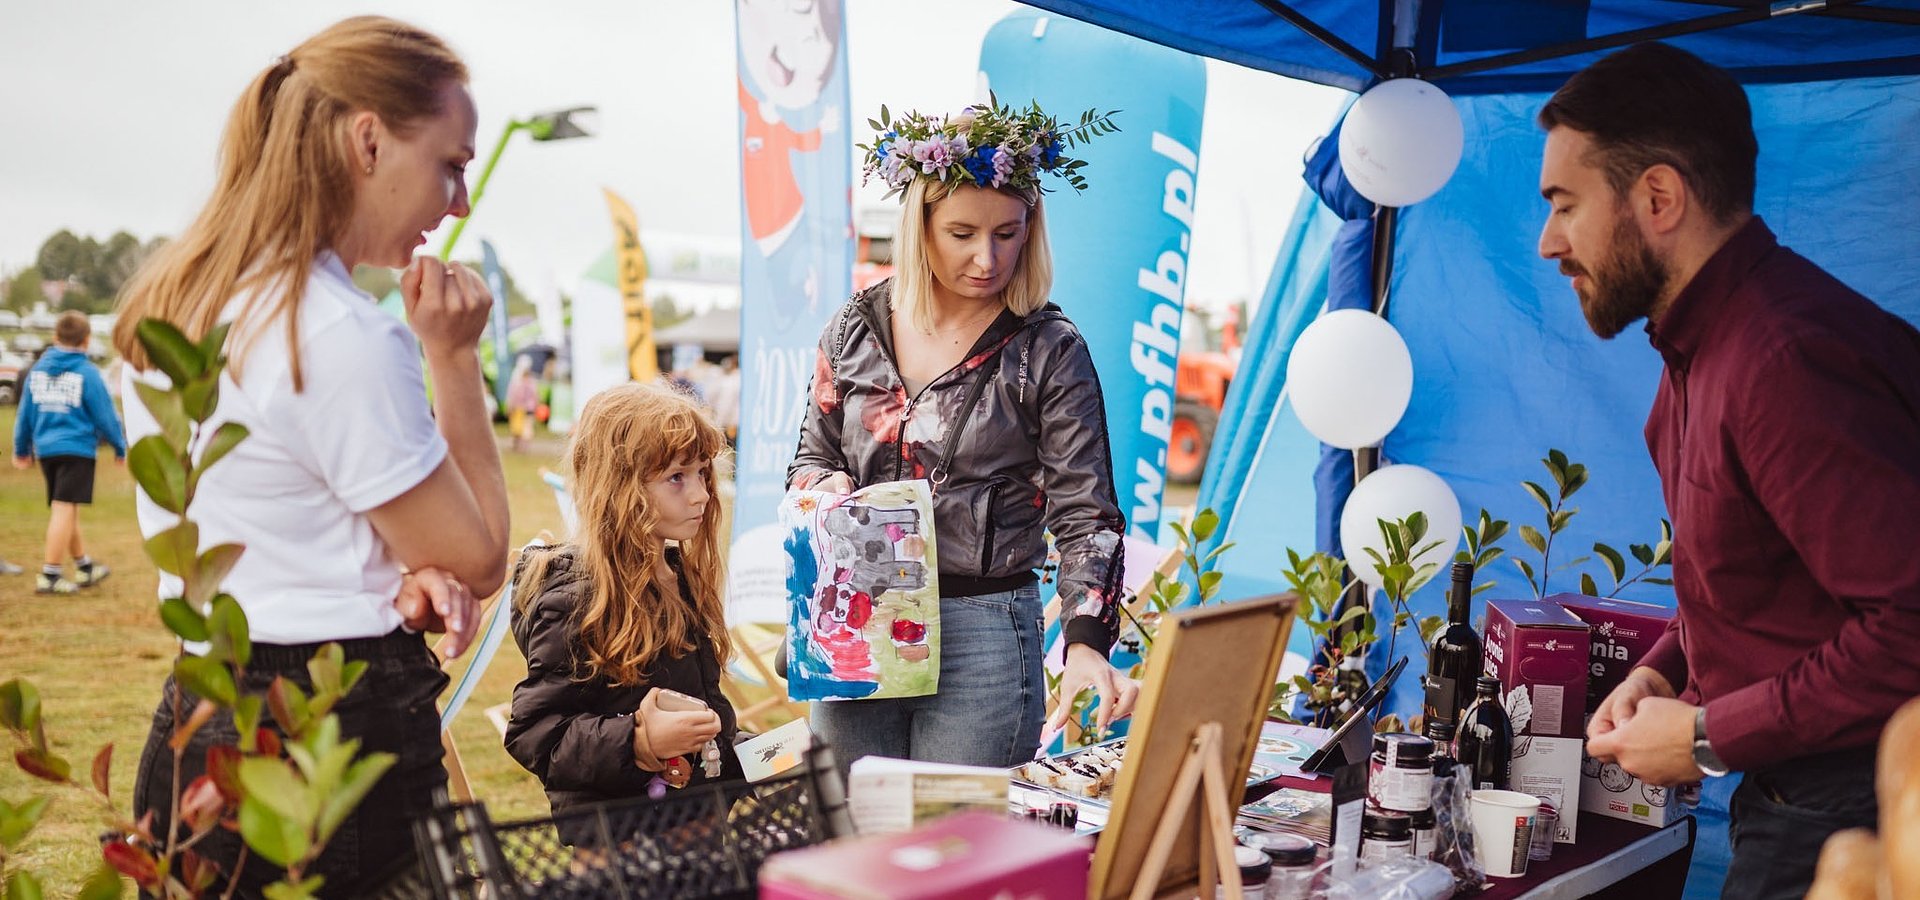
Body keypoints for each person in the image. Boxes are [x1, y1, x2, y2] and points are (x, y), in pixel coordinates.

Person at [114, 16, 509, 894]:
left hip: (201, 714)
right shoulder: (335, 333)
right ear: (368, 140)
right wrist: (451, 358)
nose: (459, 203)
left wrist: (388, 572)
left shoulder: (181, 302)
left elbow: (275, 511)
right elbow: (479, 556)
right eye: (452, 163)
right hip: (329, 728)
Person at [1538, 42, 1920, 899]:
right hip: (1798, 798)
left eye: (1565, 205)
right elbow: (1773, 586)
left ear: (1659, 197)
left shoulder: (1785, 358)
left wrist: (1709, 735)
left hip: (1856, 817)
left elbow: (1911, 622)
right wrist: (1667, 669)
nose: (1547, 242)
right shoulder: (1701, 355)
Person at [788, 99, 1138, 771]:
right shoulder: (851, 329)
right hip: (853, 618)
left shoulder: (1049, 349)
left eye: (1008, 233)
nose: (987, 257)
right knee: (859, 856)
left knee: (960, 859)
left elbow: (1085, 510)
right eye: (963, 233)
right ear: (919, 228)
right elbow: (813, 453)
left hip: (983, 633)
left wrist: (1088, 641)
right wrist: (819, 484)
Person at [505, 383, 743, 817]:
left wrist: (759, 756)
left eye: (703, 473)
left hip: (697, 832)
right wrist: (637, 741)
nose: (701, 495)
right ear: (620, 486)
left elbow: (705, 716)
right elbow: (537, 734)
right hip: (619, 852)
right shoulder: (576, 597)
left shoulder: (680, 579)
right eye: (676, 477)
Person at [11, 310, 126, 594]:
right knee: (64, 508)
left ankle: (84, 566)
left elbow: (25, 413)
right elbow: (105, 415)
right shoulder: (87, 372)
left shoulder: (37, 370)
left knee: (66, 506)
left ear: (54, 337)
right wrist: (120, 444)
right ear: (86, 341)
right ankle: (50, 574)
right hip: (76, 449)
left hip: (46, 450)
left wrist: (21, 447)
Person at [507, 354, 539, 452]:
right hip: (524, 408)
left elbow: (513, 394)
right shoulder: (530, 381)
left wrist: (511, 405)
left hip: (522, 407)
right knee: (521, 427)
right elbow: (535, 395)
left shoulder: (519, 381)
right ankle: (521, 446)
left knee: (521, 427)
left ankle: (520, 446)